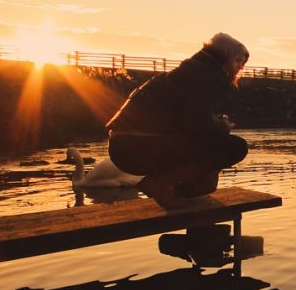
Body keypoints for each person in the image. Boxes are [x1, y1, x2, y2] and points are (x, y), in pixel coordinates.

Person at [106, 33, 249, 205]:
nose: (241, 67)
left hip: (124, 143)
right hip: (136, 146)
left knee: (207, 164)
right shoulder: (206, 77)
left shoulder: (189, 72)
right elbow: (198, 125)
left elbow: (188, 119)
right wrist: (222, 126)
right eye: (238, 60)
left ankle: (179, 195)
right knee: (235, 147)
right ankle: (160, 184)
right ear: (224, 57)